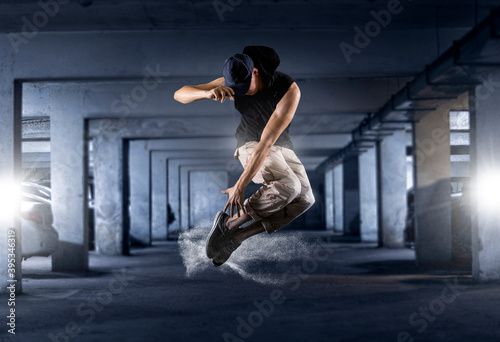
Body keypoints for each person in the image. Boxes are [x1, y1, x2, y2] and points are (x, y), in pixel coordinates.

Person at [173, 46, 315, 267]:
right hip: (249, 144)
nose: (240, 92)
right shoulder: (233, 81)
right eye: (234, 88)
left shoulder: (289, 90)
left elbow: (267, 143)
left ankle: (234, 234)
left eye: (243, 87)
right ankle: (229, 225)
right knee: (290, 186)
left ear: (255, 72)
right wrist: (206, 93)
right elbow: (179, 94)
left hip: (275, 146)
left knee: (305, 199)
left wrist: (240, 186)